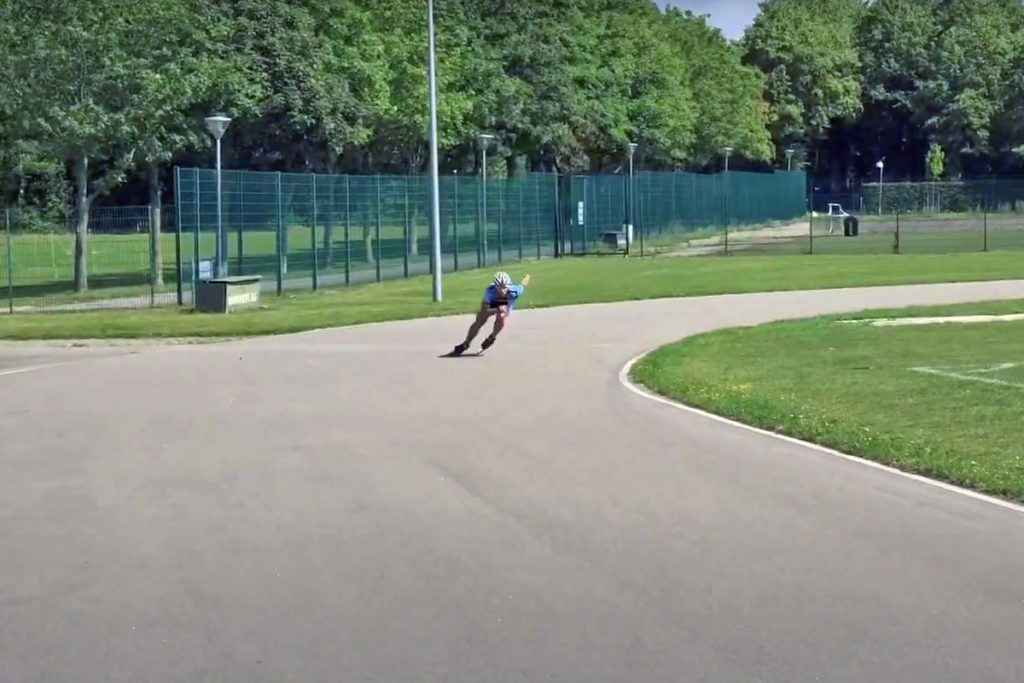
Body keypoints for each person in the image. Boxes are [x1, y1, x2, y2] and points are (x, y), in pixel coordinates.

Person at [451, 271, 531, 355]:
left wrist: (527, 276)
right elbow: (484, 310)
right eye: (500, 287)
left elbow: (523, 285)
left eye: (505, 287)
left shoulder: (514, 292)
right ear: (495, 286)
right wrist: (497, 309)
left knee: (501, 316)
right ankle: (466, 343)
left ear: (509, 286)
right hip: (493, 302)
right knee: (481, 319)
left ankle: (492, 337)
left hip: (506, 303)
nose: (503, 290)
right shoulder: (490, 292)